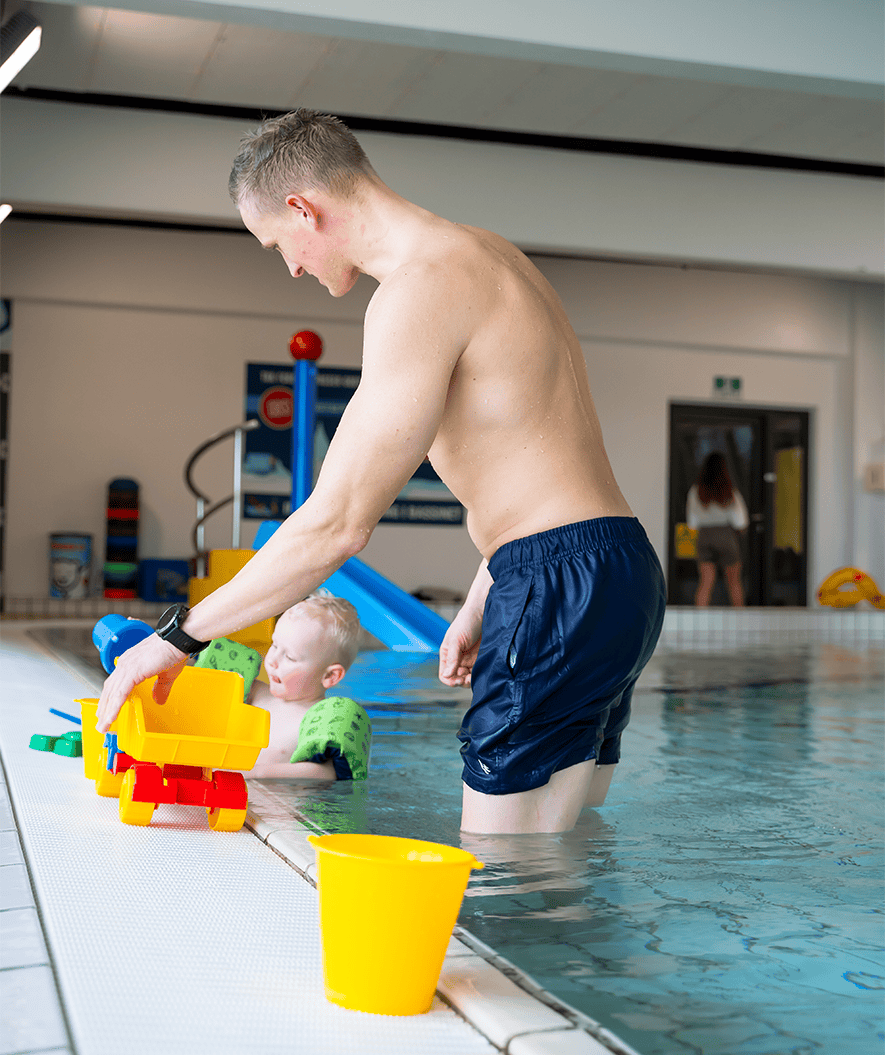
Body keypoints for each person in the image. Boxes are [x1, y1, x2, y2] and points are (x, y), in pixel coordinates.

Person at [96, 109, 666, 834]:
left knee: (503, 864)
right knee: (565, 838)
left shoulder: (416, 291)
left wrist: (177, 637)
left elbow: (335, 525)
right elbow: (543, 451)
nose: (291, 267)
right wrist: (482, 599)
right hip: (620, 570)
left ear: (304, 208)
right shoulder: (494, 257)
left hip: (553, 581)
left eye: (278, 244)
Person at [242, 592, 369, 780]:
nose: (273, 660)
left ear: (330, 676)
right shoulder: (255, 694)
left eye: (289, 657)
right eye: (274, 645)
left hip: (274, 797)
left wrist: (256, 772)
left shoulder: (319, 724)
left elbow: (328, 773)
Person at [685, 452, 748, 607]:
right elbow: (740, 520)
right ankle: (739, 616)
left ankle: (700, 617)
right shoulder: (729, 490)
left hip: (704, 536)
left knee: (705, 582)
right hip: (725, 535)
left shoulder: (696, 490)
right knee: (734, 582)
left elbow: (692, 521)